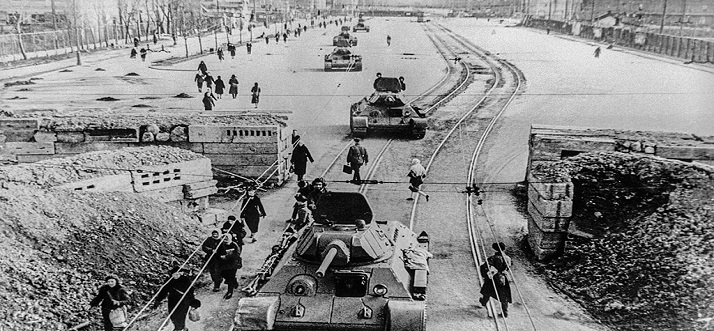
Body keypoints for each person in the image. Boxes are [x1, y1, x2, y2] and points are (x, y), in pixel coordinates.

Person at [478, 242, 512, 317]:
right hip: (504, 278)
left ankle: (483, 302)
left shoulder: (494, 258)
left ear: (495, 249)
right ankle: (505, 312)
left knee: (487, 290)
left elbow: (484, 266)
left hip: (495, 277)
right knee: (504, 295)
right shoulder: (508, 258)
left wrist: (485, 275)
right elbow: (509, 266)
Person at [216, 234, 242, 299]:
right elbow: (218, 253)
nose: (225, 239)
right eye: (223, 238)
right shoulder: (221, 245)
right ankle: (235, 281)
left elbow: (237, 254)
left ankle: (230, 292)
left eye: (226, 238)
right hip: (224, 264)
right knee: (223, 274)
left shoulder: (234, 245)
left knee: (230, 277)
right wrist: (220, 257)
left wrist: (227, 256)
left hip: (232, 264)